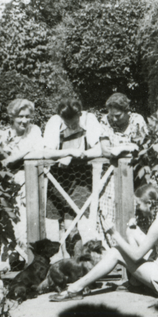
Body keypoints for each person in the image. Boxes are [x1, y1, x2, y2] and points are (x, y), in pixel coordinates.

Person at [50, 184, 158, 301]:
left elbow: (136, 256)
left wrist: (114, 233)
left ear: (149, 204)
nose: (138, 208)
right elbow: (150, 250)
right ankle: (136, 283)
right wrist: (130, 233)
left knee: (115, 252)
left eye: (139, 204)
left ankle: (76, 288)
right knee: (133, 233)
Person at [42, 98, 103, 243]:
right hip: (57, 174)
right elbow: (46, 152)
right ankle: (56, 258)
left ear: (80, 115)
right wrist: (68, 153)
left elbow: (99, 148)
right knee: (53, 218)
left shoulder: (90, 119)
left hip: (81, 175)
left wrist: (82, 154)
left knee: (78, 217)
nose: (71, 126)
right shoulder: (54, 122)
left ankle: (77, 257)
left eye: (74, 123)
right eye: (67, 123)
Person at [0, 99, 43, 255]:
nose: (24, 120)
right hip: (7, 184)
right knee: (7, 222)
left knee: (26, 222)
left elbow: (37, 149)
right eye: (20, 116)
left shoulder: (34, 130)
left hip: (30, 182)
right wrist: (24, 153)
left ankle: (28, 259)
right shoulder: (2, 134)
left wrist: (14, 157)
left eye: (27, 116)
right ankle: (12, 260)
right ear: (12, 117)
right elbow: (0, 160)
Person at [100, 93, 148, 158]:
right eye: (111, 115)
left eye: (118, 116)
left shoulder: (137, 120)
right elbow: (106, 152)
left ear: (127, 111)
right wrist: (130, 148)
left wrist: (121, 149)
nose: (114, 119)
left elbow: (144, 148)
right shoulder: (105, 121)